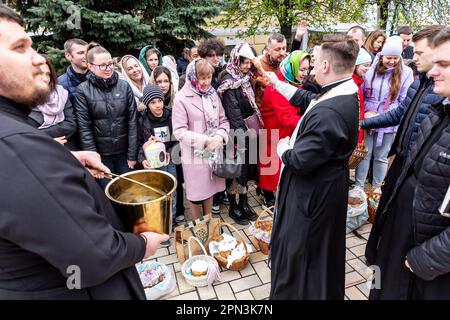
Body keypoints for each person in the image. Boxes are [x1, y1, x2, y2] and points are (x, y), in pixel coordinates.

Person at [0, 4, 168, 300]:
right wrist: (144, 243)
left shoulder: (16, 140)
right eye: (20, 47)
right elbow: (94, 257)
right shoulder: (16, 147)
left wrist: (64, 158)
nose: (39, 59)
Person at [266, 35, 361, 299]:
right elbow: (311, 100)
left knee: (301, 253)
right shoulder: (343, 88)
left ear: (326, 66)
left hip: (313, 196)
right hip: (325, 186)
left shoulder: (330, 113)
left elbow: (300, 160)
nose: (313, 66)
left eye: (316, 61)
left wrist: (282, 147)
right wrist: (277, 83)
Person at [362, 25, 446, 299]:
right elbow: (400, 113)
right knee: (384, 242)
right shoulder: (421, 81)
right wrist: (363, 122)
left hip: (422, 187)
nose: (413, 57)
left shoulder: (439, 92)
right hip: (404, 168)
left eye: (419, 52)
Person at [354, 37, 414, 194]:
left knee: (381, 156)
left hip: (388, 120)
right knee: (364, 154)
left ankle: (376, 188)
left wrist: (384, 115)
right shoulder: (371, 70)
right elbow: (364, 94)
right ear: (381, 56)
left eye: (396, 58)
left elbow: (403, 100)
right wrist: (367, 112)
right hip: (368, 118)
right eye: (389, 58)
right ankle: (359, 186)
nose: (392, 61)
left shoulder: (406, 73)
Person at [74, 43, 138, 189]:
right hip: (101, 155)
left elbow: (132, 122)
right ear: (90, 66)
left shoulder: (124, 86)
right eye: (102, 65)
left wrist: (132, 155)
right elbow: (85, 128)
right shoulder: (83, 91)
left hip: (124, 153)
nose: (108, 68)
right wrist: (93, 159)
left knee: (129, 192)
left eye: (110, 64)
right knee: (109, 195)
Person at [172, 59, 230, 219]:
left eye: (209, 77)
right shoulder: (182, 98)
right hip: (194, 154)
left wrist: (220, 136)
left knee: (210, 189)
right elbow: (179, 131)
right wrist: (205, 140)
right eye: (202, 78)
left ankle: (209, 222)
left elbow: (223, 119)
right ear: (192, 76)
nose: (206, 82)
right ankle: (199, 227)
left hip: (213, 152)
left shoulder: (212, 94)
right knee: (196, 195)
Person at [259, 50, 311, 208]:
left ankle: (273, 191)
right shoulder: (278, 86)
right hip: (274, 130)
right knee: (270, 163)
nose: (305, 73)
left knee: (277, 163)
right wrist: (310, 124)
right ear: (292, 67)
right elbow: (286, 117)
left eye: (307, 69)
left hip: (284, 130)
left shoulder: (290, 81)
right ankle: (267, 195)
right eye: (301, 69)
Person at [217, 42, 260, 225]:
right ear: (235, 60)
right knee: (236, 170)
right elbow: (232, 111)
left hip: (248, 131)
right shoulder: (228, 80)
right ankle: (234, 205)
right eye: (243, 62)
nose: (246, 66)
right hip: (236, 133)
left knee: (247, 170)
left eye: (249, 63)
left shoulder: (246, 77)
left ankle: (244, 201)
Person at [137, 84, 178, 238]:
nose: (158, 105)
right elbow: (139, 142)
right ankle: (160, 225)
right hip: (153, 162)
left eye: (159, 101)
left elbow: (177, 137)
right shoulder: (143, 120)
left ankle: (171, 221)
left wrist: (170, 151)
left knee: (171, 191)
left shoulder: (171, 114)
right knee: (157, 193)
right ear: (147, 104)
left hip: (170, 160)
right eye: (153, 102)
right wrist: (142, 159)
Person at [28, 55, 78, 150]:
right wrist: (48, 140)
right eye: (39, 74)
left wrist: (39, 134)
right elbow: (20, 133)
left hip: (66, 148)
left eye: (48, 74)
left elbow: (71, 124)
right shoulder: (21, 99)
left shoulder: (60, 94)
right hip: (35, 151)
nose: (45, 79)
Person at [58, 38, 89, 104]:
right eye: (81, 53)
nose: (86, 56)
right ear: (68, 56)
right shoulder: (60, 85)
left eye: (88, 52)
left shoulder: (99, 78)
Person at [352, 48, 372, 144]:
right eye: (365, 65)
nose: (368, 68)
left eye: (369, 65)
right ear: (355, 65)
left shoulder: (359, 82)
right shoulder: (352, 84)